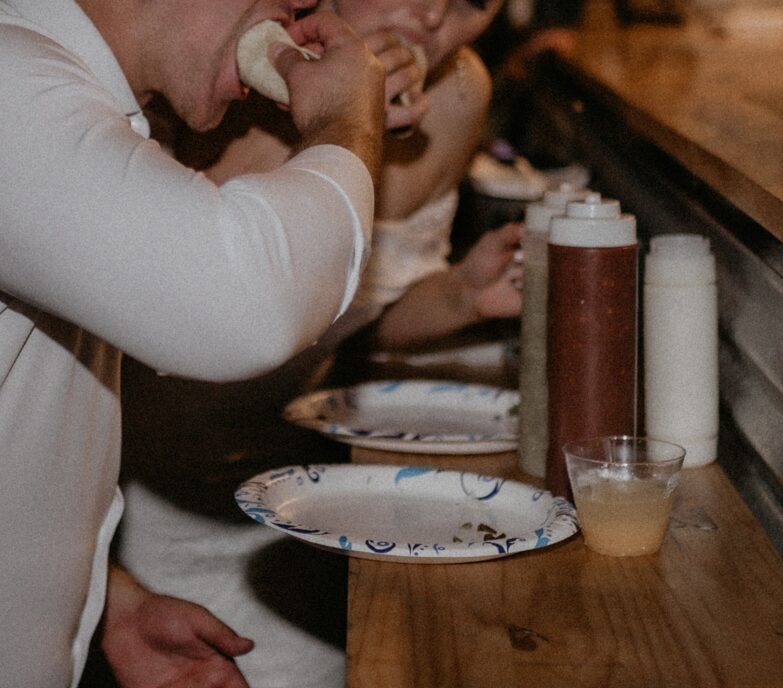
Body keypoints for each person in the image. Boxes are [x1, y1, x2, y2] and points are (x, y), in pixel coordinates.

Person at [0, 0, 428, 686]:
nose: (304, 11)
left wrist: (98, 599)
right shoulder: (10, 78)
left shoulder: (63, 88)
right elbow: (249, 305)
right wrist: (346, 124)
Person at [111, 1, 511, 687]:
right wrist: (337, 130)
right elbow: (177, 295)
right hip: (132, 503)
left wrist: (459, 297)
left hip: (297, 503)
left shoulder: (456, 93)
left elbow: (350, 318)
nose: (437, 10)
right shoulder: (196, 54)